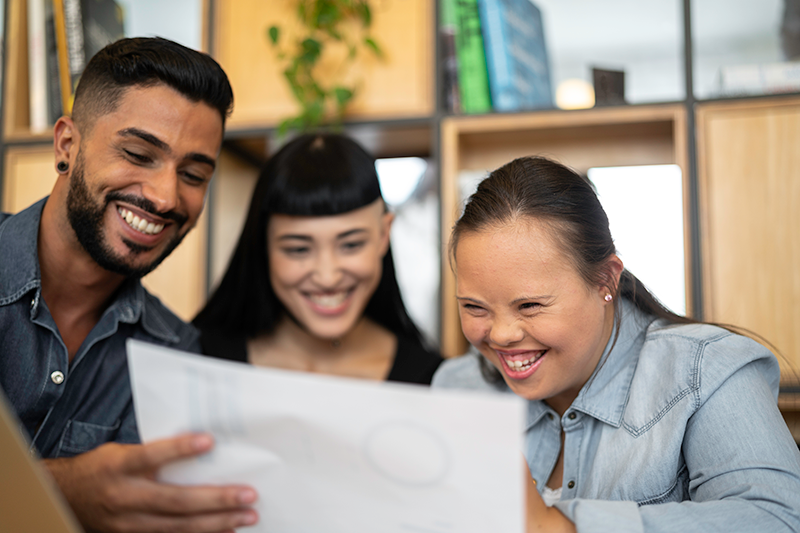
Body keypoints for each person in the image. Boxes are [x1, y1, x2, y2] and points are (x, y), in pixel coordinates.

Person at [432, 156, 800, 532]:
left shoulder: (706, 371)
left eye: (529, 305)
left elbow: (778, 518)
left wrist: (560, 526)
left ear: (605, 280)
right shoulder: (456, 388)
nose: (501, 334)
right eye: (474, 307)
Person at [0, 38, 260, 532]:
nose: (165, 196)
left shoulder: (176, 354)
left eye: (193, 174)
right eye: (139, 154)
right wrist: (63, 489)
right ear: (67, 145)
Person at [193, 133, 442, 383]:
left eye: (351, 244)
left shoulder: (433, 382)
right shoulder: (197, 360)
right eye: (298, 250)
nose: (327, 277)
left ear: (383, 235)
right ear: (262, 244)